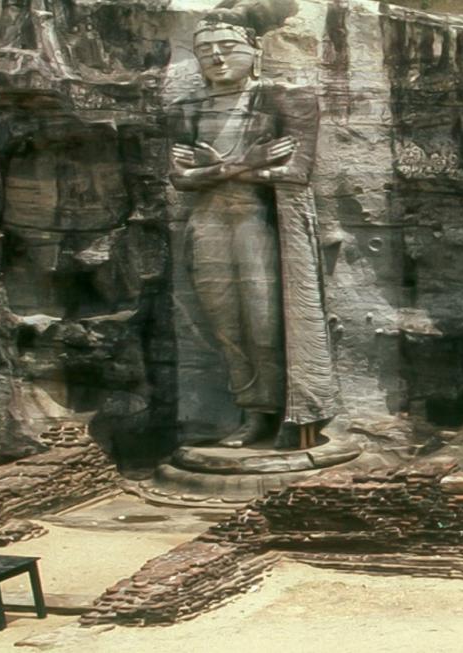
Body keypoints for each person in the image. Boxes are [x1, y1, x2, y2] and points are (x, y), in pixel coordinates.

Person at [168, 6, 338, 450]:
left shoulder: (288, 98)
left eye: (227, 48)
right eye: (205, 51)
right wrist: (247, 162)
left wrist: (217, 168)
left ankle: (291, 413)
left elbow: (294, 173)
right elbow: (180, 180)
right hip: (208, 223)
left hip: (261, 223)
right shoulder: (189, 110)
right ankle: (253, 412)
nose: (217, 58)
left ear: (254, 50)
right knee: (226, 325)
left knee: (266, 322)